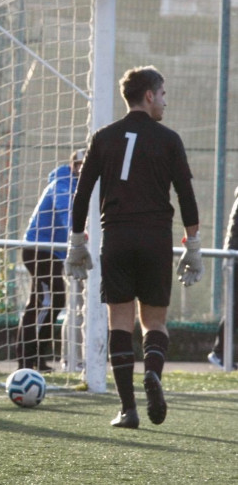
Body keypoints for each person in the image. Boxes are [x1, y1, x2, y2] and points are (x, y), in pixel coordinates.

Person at [66, 65, 202, 429]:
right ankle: (153, 373)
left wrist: (77, 242)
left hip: (118, 238)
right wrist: (194, 244)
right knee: (154, 322)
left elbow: (82, 194)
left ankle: (128, 410)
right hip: (156, 238)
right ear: (149, 96)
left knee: (119, 324)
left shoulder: (104, 137)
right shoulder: (168, 139)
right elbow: (186, 195)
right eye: (163, 95)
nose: (165, 103)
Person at [15, 149, 84, 373]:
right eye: (80, 164)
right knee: (45, 302)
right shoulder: (62, 184)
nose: (84, 168)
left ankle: (36, 360)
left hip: (53, 253)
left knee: (52, 302)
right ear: (73, 166)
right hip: (39, 250)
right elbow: (67, 211)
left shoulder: (82, 187)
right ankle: (26, 362)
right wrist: (79, 234)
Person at [208, 185, 238, 369]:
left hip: (233, 258)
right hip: (234, 260)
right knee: (234, 308)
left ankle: (222, 352)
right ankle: (220, 352)